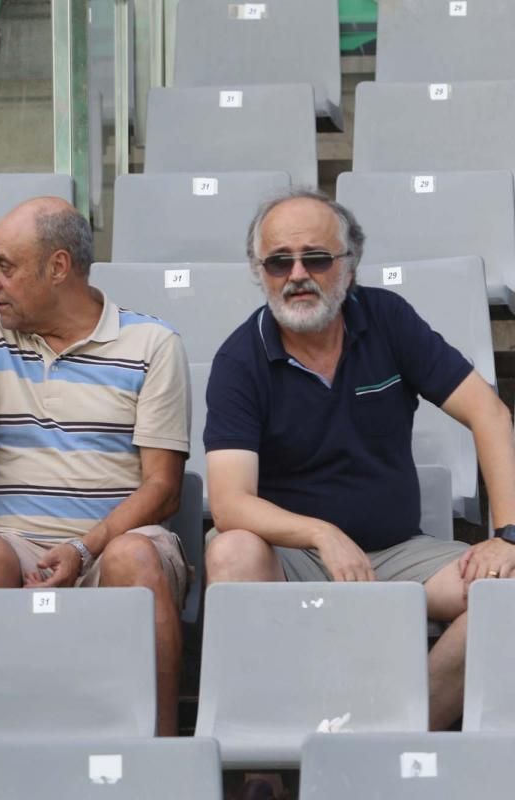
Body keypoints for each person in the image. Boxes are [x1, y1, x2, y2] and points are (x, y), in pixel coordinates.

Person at [204, 189, 515, 731]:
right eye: (279, 261)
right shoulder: (240, 358)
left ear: (350, 267)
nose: (297, 274)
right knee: (230, 551)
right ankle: (269, 753)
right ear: (260, 272)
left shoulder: (387, 319)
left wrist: (506, 535)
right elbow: (230, 503)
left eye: (316, 258)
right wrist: (322, 534)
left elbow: (489, 413)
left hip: (399, 553)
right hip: (291, 560)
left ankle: (391, 729)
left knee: (505, 592)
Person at [0, 196, 191, 737]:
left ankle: (162, 752)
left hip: (114, 540)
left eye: (5, 266)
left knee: (135, 558)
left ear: (58, 267)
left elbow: (165, 489)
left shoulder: (152, 344)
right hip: (16, 540)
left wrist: (85, 546)